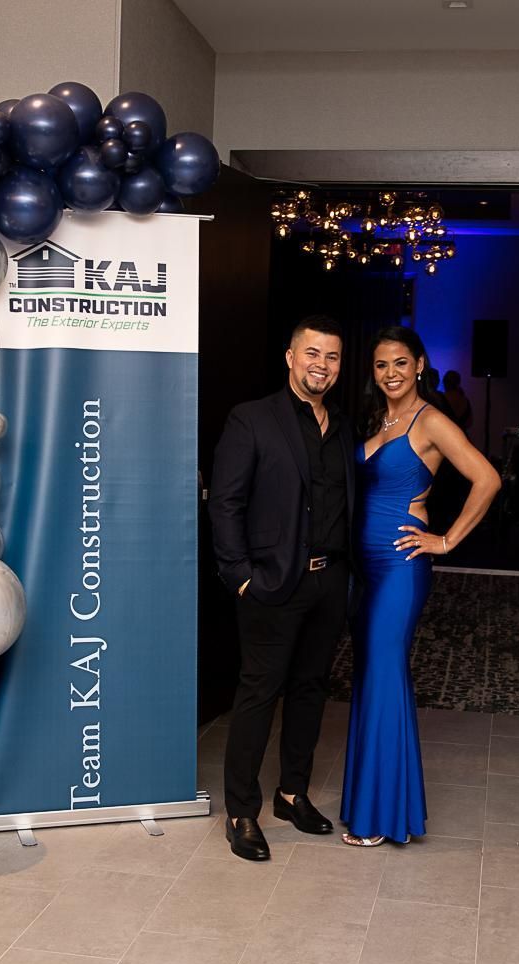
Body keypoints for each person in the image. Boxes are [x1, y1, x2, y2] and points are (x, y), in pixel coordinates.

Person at [341, 327, 500, 846]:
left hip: (401, 564)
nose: (391, 373)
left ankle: (382, 817)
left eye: (400, 363)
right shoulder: (378, 420)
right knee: (369, 675)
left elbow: (487, 478)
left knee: (385, 673)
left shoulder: (431, 420)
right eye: (382, 364)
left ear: (421, 365)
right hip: (363, 567)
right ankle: (369, 802)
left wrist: (447, 540)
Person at [208, 315, 354, 862]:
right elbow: (226, 503)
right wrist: (240, 576)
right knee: (258, 695)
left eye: (332, 357)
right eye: (312, 354)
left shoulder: (341, 427)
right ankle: (242, 812)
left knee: (311, 690)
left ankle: (292, 794)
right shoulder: (252, 419)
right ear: (291, 358)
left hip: (328, 581)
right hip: (271, 583)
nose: (322, 365)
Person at [443, 369, 473, 434]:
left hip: (446, 435)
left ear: (445, 382)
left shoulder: (442, 398)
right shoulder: (464, 399)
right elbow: (469, 423)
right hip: (461, 435)